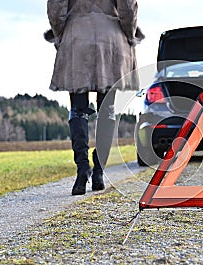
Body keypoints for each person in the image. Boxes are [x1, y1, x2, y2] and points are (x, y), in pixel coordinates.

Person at [46, 0, 144, 195]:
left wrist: (60, 35)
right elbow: (127, 7)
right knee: (107, 110)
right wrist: (130, 35)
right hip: (111, 40)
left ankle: (82, 169)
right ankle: (99, 171)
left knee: (78, 110)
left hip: (77, 37)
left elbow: (56, 7)